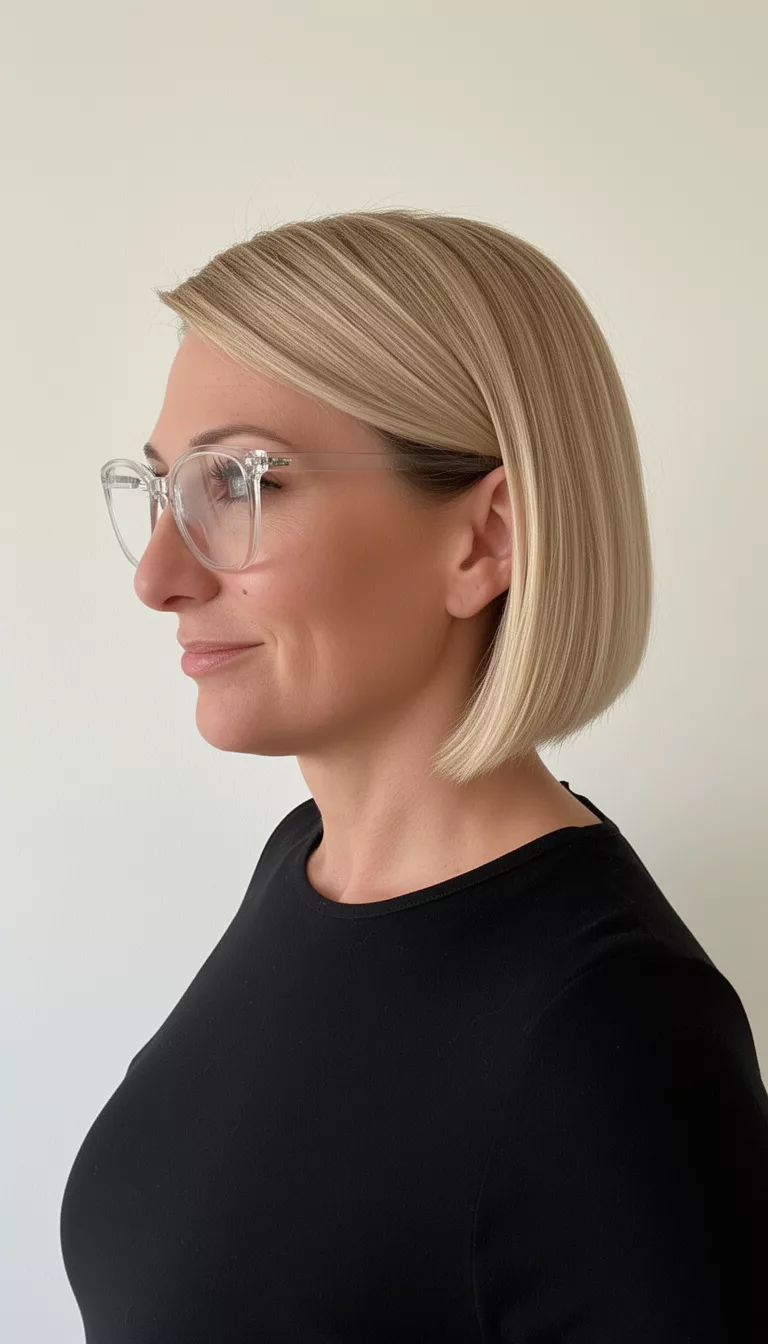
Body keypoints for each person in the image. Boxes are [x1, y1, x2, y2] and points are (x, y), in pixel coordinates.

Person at [60, 208, 768, 1341]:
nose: (157, 576)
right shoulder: (304, 866)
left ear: (485, 540)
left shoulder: (616, 1039)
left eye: (242, 485)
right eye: (159, 492)